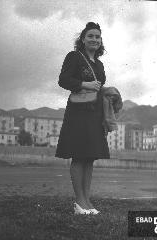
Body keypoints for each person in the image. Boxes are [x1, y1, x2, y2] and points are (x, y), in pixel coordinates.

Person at [55, 22, 110, 215]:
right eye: (90, 36)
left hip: (95, 114)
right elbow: (63, 80)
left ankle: (87, 201)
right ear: (83, 39)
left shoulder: (100, 64)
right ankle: (79, 202)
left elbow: (99, 88)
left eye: (97, 36)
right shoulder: (74, 57)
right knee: (79, 155)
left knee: (90, 157)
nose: (94, 39)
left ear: (100, 40)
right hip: (78, 112)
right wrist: (86, 84)